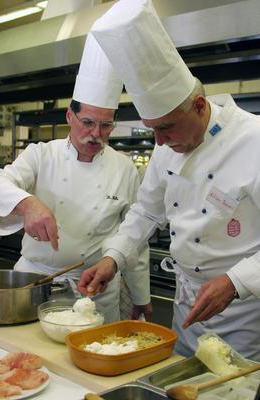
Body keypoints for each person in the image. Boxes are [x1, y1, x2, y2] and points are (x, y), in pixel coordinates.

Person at [77, 0, 260, 360]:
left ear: (200, 107)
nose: (159, 142)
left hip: (244, 315)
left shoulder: (253, 141)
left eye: (166, 127)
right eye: (152, 130)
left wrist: (235, 282)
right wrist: (113, 257)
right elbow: (146, 213)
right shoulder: (166, 147)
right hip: (186, 307)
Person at [0, 32, 151, 323]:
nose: (96, 134)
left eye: (106, 126)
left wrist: (141, 297)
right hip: (35, 283)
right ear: (69, 116)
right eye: (88, 123)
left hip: (95, 289)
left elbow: (135, 235)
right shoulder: (41, 155)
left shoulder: (125, 168)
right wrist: (28, 205)